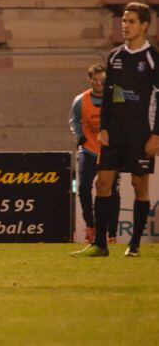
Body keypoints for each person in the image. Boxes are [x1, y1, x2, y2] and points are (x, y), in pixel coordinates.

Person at [72, 2, 159, 258]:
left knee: (139, 184)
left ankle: (133, 245)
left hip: (141, 132)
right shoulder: (115, 56)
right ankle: (101, 243)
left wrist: (156, 134)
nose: (125, 25)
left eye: (131, 21)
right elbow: (113, 94)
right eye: (123, 20)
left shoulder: (152, 58)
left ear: (144, 26)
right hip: (116, 133)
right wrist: (105, 127)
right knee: (102, 183)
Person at [69, 63, 120, 244]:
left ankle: (112, 234)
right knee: (83, 188)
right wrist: (80, 137)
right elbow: (74, 120)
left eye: (102, 80)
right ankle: (91, 226)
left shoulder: (116, 95)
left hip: (109, 150)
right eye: (96, 80)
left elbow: (125, 116)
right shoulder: (80, 100)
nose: (99, 84)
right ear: (90, 80)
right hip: (88, 149)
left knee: (112, 191)